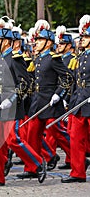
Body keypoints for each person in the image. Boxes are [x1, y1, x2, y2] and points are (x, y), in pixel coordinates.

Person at [0, 17, 45, 187]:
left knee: (12, 140)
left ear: (6, 42)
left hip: (11, 106)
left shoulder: (15, 59)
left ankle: (37, 162)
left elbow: (24, 83)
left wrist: (11, 98)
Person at [18, 19, 73, 179]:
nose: (37, 42)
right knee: (32, 135)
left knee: (58, 134)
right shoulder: (39, 58)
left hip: (50, 101)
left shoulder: (54, 58)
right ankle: (32, 168)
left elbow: (67, 78)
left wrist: (59, 93)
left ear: (48, 43)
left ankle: (79, 157)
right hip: (38, 101)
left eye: (41, 40)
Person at [61, 14, 90, 183]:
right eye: (82, 36)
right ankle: (78, 172)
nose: (83, 39)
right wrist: (68, 98)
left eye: (86, 37)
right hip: (79, 101)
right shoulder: (81, 56)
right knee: (75, 138)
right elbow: (74, 79)